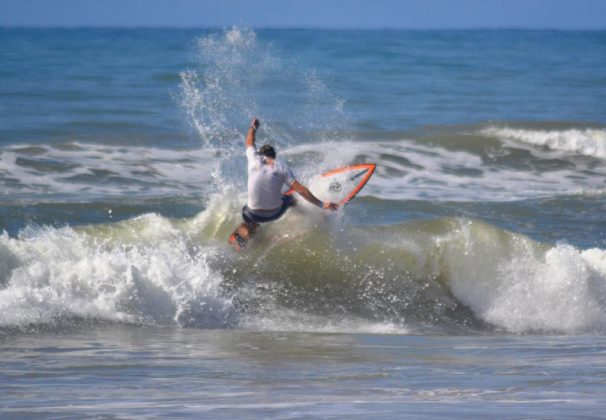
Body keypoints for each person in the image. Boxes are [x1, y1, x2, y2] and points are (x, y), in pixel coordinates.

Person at [229, 117, 338, 250]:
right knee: (290, 198)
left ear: (259, 154)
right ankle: (311, 214)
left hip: (253, 213)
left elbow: (249, 141)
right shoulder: (281, 166)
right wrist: (322, 204)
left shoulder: (253, 159)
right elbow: (300, 189)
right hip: (275, 213)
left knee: (248, 215)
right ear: (274, 156)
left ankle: (243, 237)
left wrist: (253, 127)